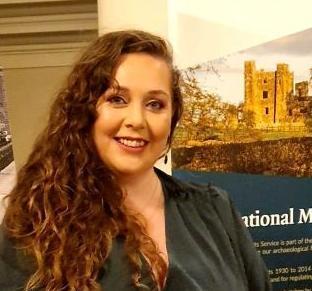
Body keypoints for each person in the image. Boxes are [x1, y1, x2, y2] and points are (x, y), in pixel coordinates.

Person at [0, 30, 272, 291]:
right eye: (117, 99)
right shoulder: (37, 223)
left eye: (155, 104)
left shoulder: (214, 209)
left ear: (172, 118)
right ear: (84, 110)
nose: (136, 120)